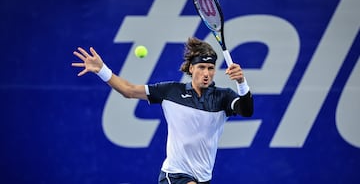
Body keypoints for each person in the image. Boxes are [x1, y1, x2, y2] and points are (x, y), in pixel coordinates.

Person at [72, 37, 254, 184]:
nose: (206, 73)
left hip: (203, 178)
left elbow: (246, 111)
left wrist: (241, 83)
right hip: (174, 176)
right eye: (201, 67)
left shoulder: (224, 97)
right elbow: (129, 91)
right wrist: (101, 70)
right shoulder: (171, 91)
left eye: (210, 68)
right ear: (191, 68)